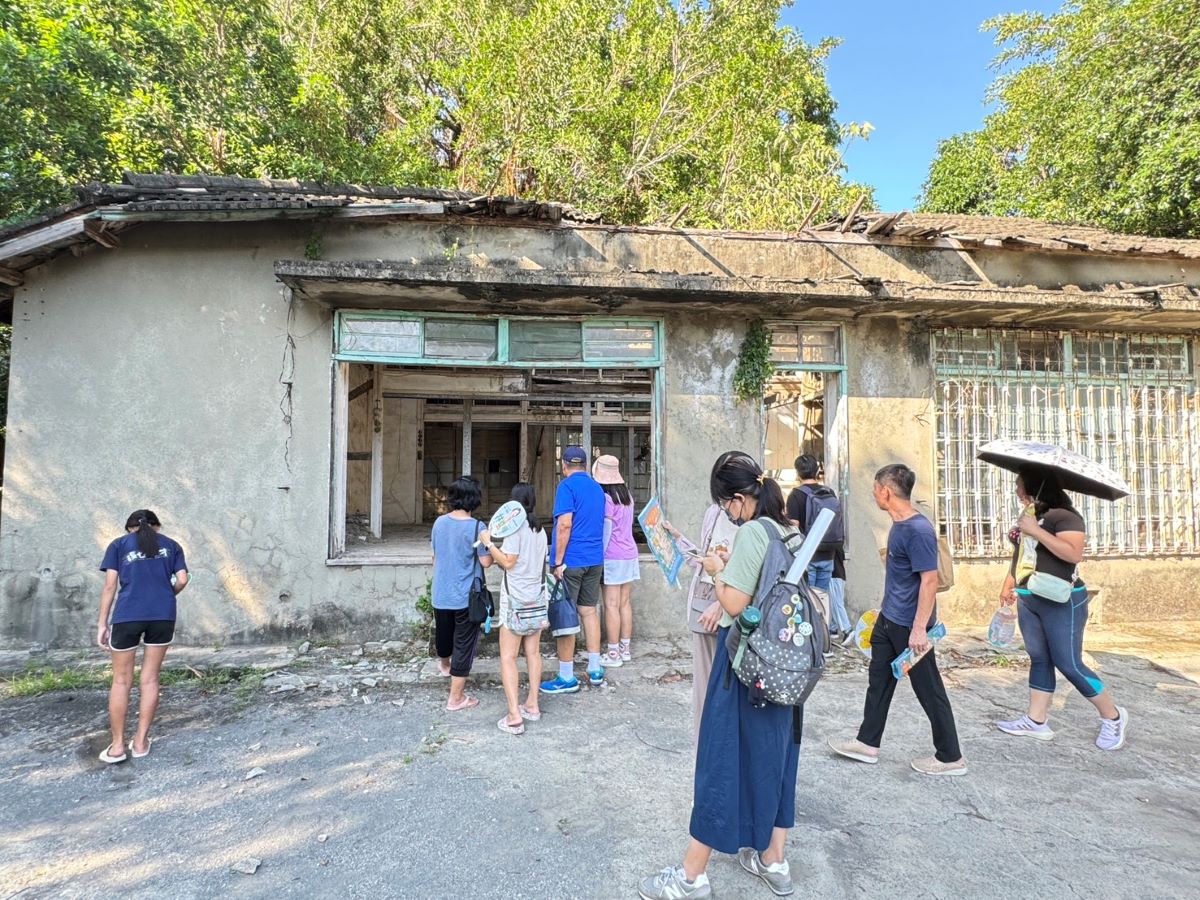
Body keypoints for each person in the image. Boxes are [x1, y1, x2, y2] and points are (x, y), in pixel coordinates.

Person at [640, 452, 803, 900]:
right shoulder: (790, 530)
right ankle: (774, 860)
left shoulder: (752, 532)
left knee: (719, 762)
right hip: (785, 669)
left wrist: (716, 570)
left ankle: (691, 878)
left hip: (745, 669)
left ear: (736, 499)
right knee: (777, 760)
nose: (728, 513)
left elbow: (733, 604)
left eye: (726, 505)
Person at [829, 464, 967, 776]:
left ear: (886, 492)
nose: (874, 493)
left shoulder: (918, 530)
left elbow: (929, 581)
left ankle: (950, 756)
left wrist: (920, 628)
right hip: (890, 620)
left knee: (928, 689)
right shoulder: (899, 525)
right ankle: (867, 743)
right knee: (878, 681)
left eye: (876, 488)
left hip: (910, 626)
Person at [994, 468, 1128, 749]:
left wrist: (1036, 531)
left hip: (1061, 600)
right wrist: (1009, 582)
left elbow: (1072, 553)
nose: (1016, 488)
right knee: (1039, 658)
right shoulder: (1032, 515)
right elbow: (1022, 553)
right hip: (1029, 596)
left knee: (1069, 664)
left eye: (1019, 483)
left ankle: (1112, 717)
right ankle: (1036, 720)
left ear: (1033, 484)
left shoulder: (1065, 517)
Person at [95, 509, 188, 764]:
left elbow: (110, 586)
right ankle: (140, 742)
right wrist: (168, 595)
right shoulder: (172, 546)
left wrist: (102, 623)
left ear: (130, 528)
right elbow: (183, 578)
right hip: (162, 615)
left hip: (127, 615)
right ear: (157, 527)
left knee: (121, 681)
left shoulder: (118, 545)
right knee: (150, 679)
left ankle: (116, 747)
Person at [664, 452, 741, 741]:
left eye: (726, 499)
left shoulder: (755, 523)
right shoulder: (714, 513)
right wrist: (676, 538)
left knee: (729, 682)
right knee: (705, 680)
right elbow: (705, 558)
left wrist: (720, 605)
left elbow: (751, 571)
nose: (724, 506)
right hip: (707, 595)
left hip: (730, 600)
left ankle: (721, 742)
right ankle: (706, 745)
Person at [478, 483, 549, 736]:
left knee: (508, 656)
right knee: (533, 653)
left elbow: (508, 562)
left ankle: (514, 716)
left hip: (516, 601)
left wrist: (489, 544)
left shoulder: (515, 531)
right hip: (537, 599)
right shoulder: (540, 531)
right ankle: (532, 704)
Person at [541, 445, 607, 694]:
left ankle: (567, 677)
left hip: (572, 560)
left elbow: (565, 524)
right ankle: (595, 668)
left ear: (564, 466)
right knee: (589, 611)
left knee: (565, 616)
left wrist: (557, 561)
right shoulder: (597, 489)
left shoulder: (566, 487)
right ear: (586, 466)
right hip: (595, 559)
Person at [430, 476, 493, 711]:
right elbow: (485, 563)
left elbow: (434, 557)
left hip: (441, 591)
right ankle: (456, 698)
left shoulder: (438, 523)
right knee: (464, 645)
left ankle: (444, 666)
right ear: (474, 499)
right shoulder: (478, 527)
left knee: (444, 635)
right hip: (466, 597)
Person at [786, 453, 851, 638]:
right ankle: (824, 639)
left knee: (808, 598)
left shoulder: (796, 495)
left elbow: (794, 526)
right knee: (823, 597)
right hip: (829, 554)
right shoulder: (828, 493)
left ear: (798, 472)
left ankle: (811, 639)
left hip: (809, 555)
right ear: (817, 471)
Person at [594, 454, 639, 668]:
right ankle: (625, 649)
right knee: (624, 603)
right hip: (630, 553)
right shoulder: (627, 496)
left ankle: (612, 654)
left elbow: (607, 529)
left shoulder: (607, 499)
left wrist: (598, 556)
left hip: (612, 555)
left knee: (610, 604)